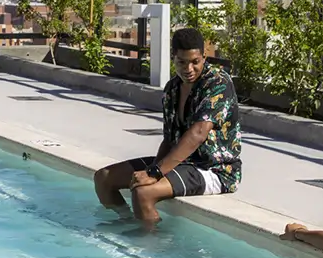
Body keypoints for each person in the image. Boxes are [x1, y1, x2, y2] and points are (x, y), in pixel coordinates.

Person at [93, 26, 242, 222]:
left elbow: (198, 132)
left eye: (195, 62)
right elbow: (170, 140)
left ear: (204, 57)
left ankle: (151, 246)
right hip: (182, 163)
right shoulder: (172, 88)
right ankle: (128, 223)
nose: (189, 69)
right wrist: (153, 169)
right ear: (173, 58)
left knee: (143, 193)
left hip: (215, 170)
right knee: (104, 178)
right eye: (182, 62)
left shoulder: (217, 82)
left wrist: (155, 173)